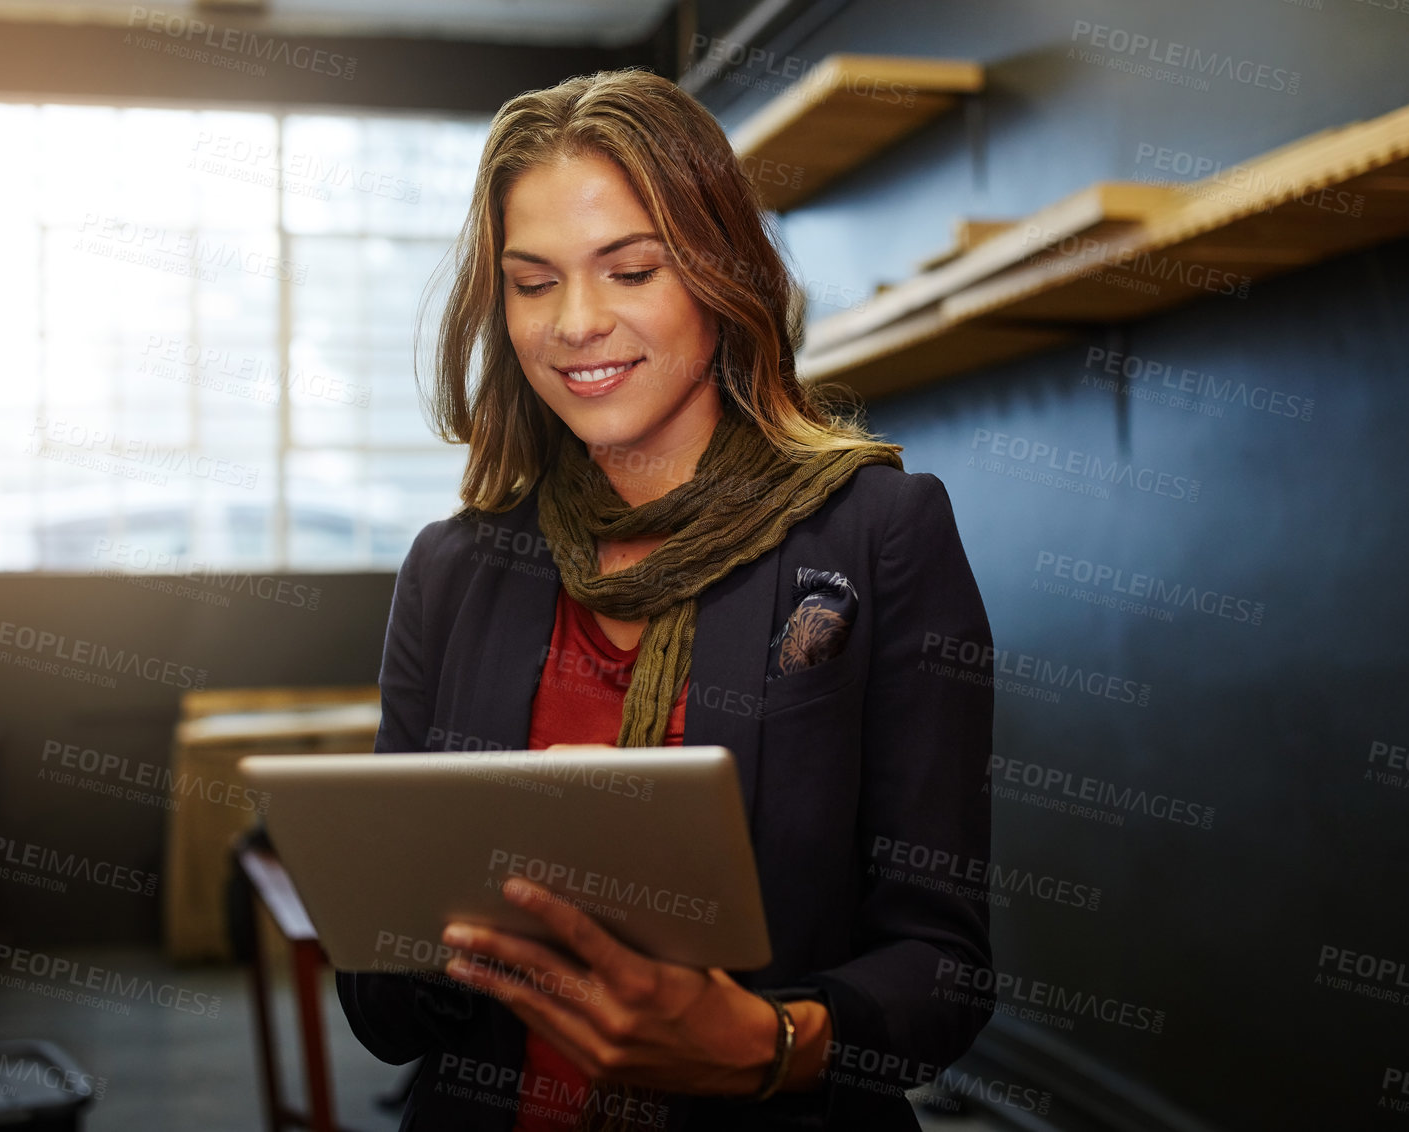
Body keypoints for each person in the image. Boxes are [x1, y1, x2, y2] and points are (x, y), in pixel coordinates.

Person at [336, 67, 995, 1132]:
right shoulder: (454, 569)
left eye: (630, 269)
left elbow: (945, 969)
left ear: (718, 272)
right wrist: (465, 924)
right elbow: (381, 1008)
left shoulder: (877, 535)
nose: (575, 323)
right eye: (533, 281)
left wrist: (762, 1045)